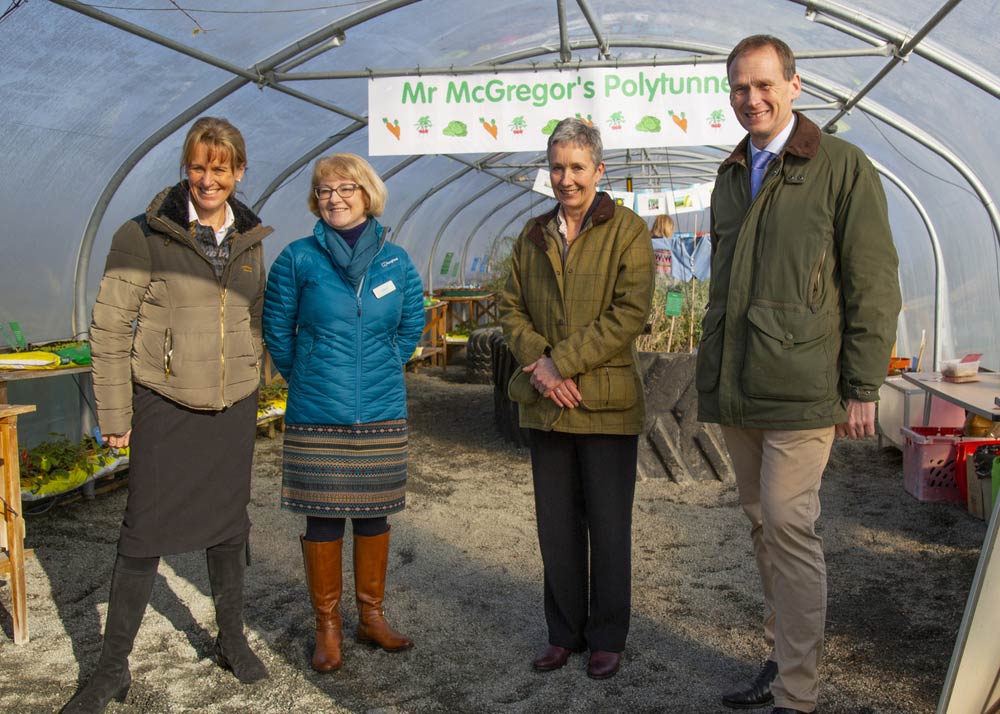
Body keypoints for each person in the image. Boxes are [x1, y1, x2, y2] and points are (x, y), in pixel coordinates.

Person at [697, 35, 901, 714]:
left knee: (787, 524)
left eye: (762, 85)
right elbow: (723, 287)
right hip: (738, 385)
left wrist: (863, 383)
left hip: (804, 385)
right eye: (738, 88)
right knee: (762, 525)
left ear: (794, 86)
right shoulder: (731, 175)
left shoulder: (839, 166)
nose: (750, 99)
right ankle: (782, 656)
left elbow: (873, 280)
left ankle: (798, 695)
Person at [64, 117, 271, 714]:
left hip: (231, 407)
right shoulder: (144, 234)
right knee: (142, 532)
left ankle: (230, 638)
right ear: (188, 167)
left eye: (222, 168)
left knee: (230, 525)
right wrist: (114, 411)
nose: (210, 179)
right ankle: (110, 671)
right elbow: (108, 329)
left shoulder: (251, 240)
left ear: (238, 171)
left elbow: (254, 320)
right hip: (164, 402)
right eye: (200, 166)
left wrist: (252, 378)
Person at [498, 118, 654, 680]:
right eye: (558, 167)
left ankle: (608, 635)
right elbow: (508, 305)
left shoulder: (628, 230)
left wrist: (560, 362)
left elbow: (629, 313)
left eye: (577, 168)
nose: (567, 178)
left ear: (598, 170)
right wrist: (540, 364)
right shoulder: (533, 233)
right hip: (547, 406)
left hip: (605, 404)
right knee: (556, 526)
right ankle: (563, 633)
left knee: (609, 526)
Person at [262, 153, 424, 673]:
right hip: (318, 409)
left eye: (345, 188)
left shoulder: (395, 260)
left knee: (374, 513)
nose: (334, 197)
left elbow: (411, 323)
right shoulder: (297, 258)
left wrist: (381, 363)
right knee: (325, 518)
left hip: (379, 407)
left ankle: (371, 616)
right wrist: (307, 372)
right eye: (324, 189)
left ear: (367, 193)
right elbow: (277, 330)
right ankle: (327, 625)